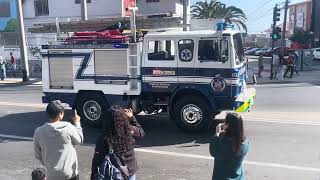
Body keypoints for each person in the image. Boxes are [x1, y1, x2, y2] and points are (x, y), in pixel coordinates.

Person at [91, 105, 145, 180]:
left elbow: (97, 160)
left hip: (114, 174)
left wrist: (93, 176)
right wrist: (132, 118)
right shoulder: (130, 131)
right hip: (130, 171)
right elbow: (141, 133)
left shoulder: (104, 138)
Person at [33, 100, 83, 180]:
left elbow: (37, 154)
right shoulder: (68, 127)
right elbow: (79, 139)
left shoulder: (39, 131)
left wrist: (47, 163)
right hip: (69, 174)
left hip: (51, 174)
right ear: (60, 114)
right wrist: (77, 123)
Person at [209, 113, 249, 180]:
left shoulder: (220, 142)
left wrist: (217, 133)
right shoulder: (245, 143)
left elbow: (212, 152)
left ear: (227, 125)